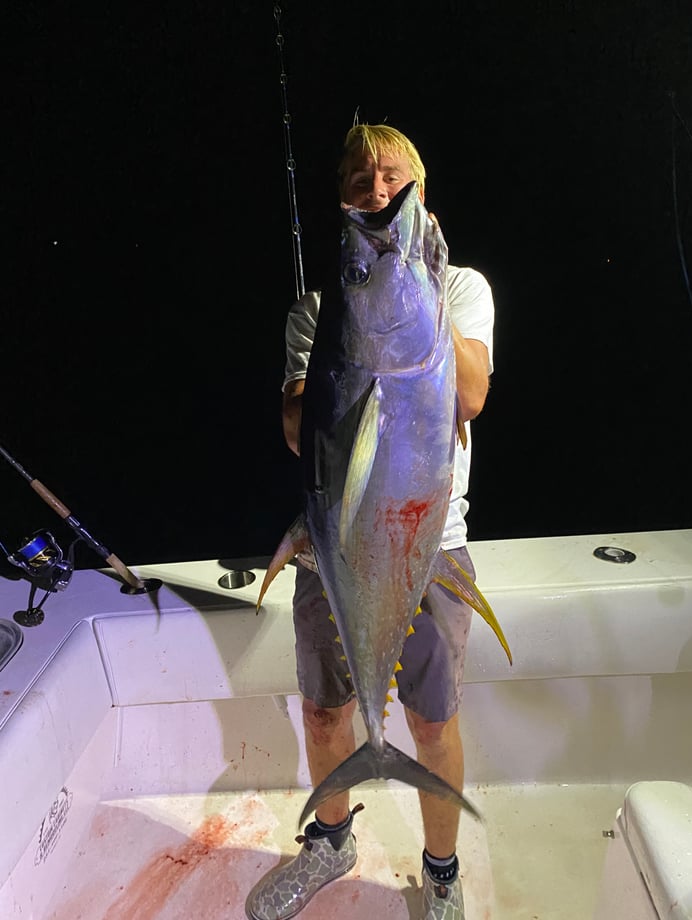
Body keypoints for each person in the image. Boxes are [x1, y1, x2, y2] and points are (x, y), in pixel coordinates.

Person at [246, 123, 494, 920]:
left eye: (391, 175)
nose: (374, 186)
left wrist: (420, 277)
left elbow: (469, 396)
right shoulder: (318, 308)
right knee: (324, 711)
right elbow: (295, 429)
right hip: (335, 544)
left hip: (431, 545)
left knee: (431, 721)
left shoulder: (461, 290)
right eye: (358, 179)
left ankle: (443, 871)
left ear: (421, 193)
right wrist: (323, 373)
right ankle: (332, 841)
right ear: (342, 200)